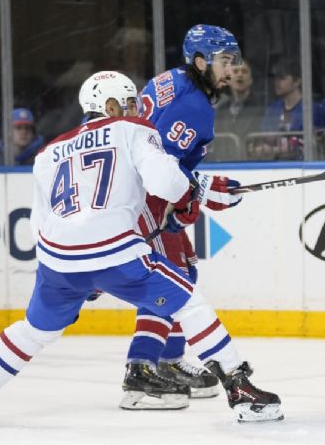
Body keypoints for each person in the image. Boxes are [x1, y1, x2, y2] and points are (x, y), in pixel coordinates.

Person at [0, 71, 281, 424]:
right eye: (131, 103)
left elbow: (39, 223)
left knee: (36, 329)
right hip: (116, 253)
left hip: (57, 261)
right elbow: (166, 182)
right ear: (109, 106)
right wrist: (198, 193)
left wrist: (74, 275)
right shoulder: (132, 130)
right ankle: (240, 389)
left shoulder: (48, 152)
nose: (138, 109)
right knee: (189, 302)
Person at [129, 26, 283, 421]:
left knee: (181, 274)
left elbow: (160, 154)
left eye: (234, 60)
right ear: (201, 60)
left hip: (137, 191)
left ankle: (171, 358)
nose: (232, 69)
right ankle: (140, 371)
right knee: (168, 281)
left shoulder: (173, 79)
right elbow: (159, 169)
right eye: (225, 60)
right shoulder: (195, 105)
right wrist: (194, 195)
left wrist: (199, 187)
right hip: (143, 200)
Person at [210, 59, 264, 161]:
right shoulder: (221, 110)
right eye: (235, 71)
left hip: (250, 164)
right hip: (223, 164)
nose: (240, 75)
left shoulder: (260, 107)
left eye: (244, 71)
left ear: (251, 79)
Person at [253, 60, 304, 160]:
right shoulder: (273, 109)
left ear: (297, 81)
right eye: (275, 78)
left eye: (281, 78)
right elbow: (265, 139)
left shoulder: (311, 108)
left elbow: (308, 143)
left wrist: (275, 149)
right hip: (276, 165)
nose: (276, 82)